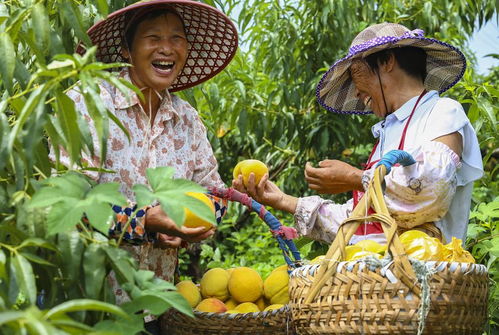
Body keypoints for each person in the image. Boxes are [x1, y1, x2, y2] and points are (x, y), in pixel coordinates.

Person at [51, 0, 238, 332]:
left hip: (155, 309)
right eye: (153, 37)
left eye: (177, 38)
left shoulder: (187, 121)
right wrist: (148, 221)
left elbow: (215, 193)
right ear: (127, 47)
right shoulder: (89, 103)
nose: (166, 48)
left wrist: (196, 224)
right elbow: (66, 203)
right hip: (84, 306)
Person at [233, 22, 483, 247]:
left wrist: (356, 177)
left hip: (425, 285)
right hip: (375, 287)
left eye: (355, 74)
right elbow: (361, 223)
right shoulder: (388, 132)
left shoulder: (442, 112)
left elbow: (431, 188)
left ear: (386, 62)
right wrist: (283, 200)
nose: (355, 93)